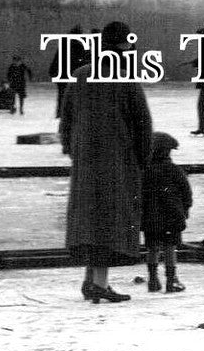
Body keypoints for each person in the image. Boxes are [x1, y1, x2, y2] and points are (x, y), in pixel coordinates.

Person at [60, 21, 153, 303]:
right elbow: (142, 124)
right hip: (118, 163)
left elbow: (66, 120)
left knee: (89, 222)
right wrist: (141, 159)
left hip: (86, 163)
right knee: (109, 223)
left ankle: (90, 280)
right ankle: (99, 283)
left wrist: (73, 150)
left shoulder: (79, 76)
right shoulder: (126, 79)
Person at [141, 132, 192, 293]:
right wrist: (186, 209)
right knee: (171, 247)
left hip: (150, 218)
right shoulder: (175, 170)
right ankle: (171, 280)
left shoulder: (144, 171)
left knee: (152, 248)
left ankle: (152, 279)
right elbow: (186, 192)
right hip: (173, 216)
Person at [52, 25, 89, 119]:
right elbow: (84, 60)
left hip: (63, 75)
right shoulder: (81, 45)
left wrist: (53, 71)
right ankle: (71, 114)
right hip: (74, 74)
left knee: (62, 96)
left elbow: (57, 59)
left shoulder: (64, 44)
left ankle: (61, 113)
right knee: (75, 96)